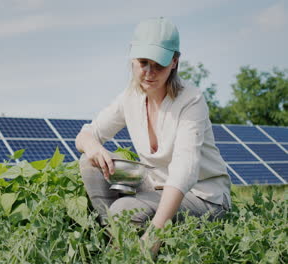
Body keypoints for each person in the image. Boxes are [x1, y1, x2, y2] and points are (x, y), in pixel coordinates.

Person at [75, 17, 231, 255]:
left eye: (158, 64)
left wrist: (156, 232)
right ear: (133, 59)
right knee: (89, 162)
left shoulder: (191, 101)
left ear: (174, 62)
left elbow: (183, 172)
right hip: (155, 187)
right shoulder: (131, 96)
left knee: (123, 209)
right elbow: (86, 134)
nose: (149, 72)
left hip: (203, 196)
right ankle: (117, 240)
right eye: (143, 62)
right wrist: (94, 147)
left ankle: (135, 233)